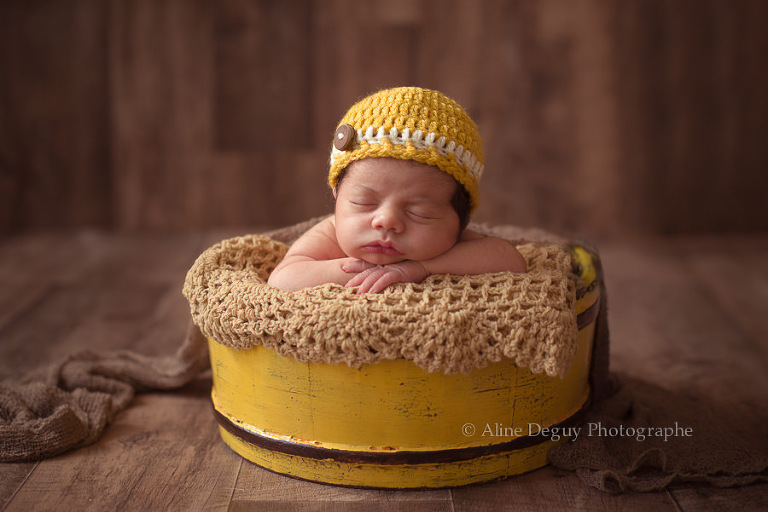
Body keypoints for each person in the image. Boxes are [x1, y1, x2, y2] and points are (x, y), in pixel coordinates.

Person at [268, 87, 527, 294]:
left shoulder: (450, 243)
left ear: (461, 220)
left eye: (420, 213)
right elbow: (283, 279)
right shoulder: (331, 233)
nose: (387, 221)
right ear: (337, 195)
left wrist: (421, 267)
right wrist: (366, 270)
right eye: (364, 202)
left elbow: (511, 261)